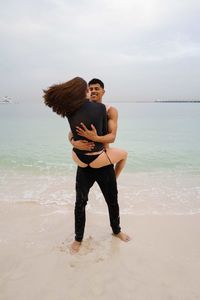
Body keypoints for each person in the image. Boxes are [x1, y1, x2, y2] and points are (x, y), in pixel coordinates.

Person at [43, 77, 130, 253]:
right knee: (80, 202)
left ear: (103, 91)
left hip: (103, 162)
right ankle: (78, 239)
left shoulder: (110, 111)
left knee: (112, 200)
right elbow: (71, 134)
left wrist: (96, 138)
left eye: (97, 88)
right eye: (90, 88)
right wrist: (74, 142)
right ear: (87, 91)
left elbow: (112, 137)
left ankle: (117, 231)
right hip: (85, 165)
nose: (93, 91)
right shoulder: (79, 110)